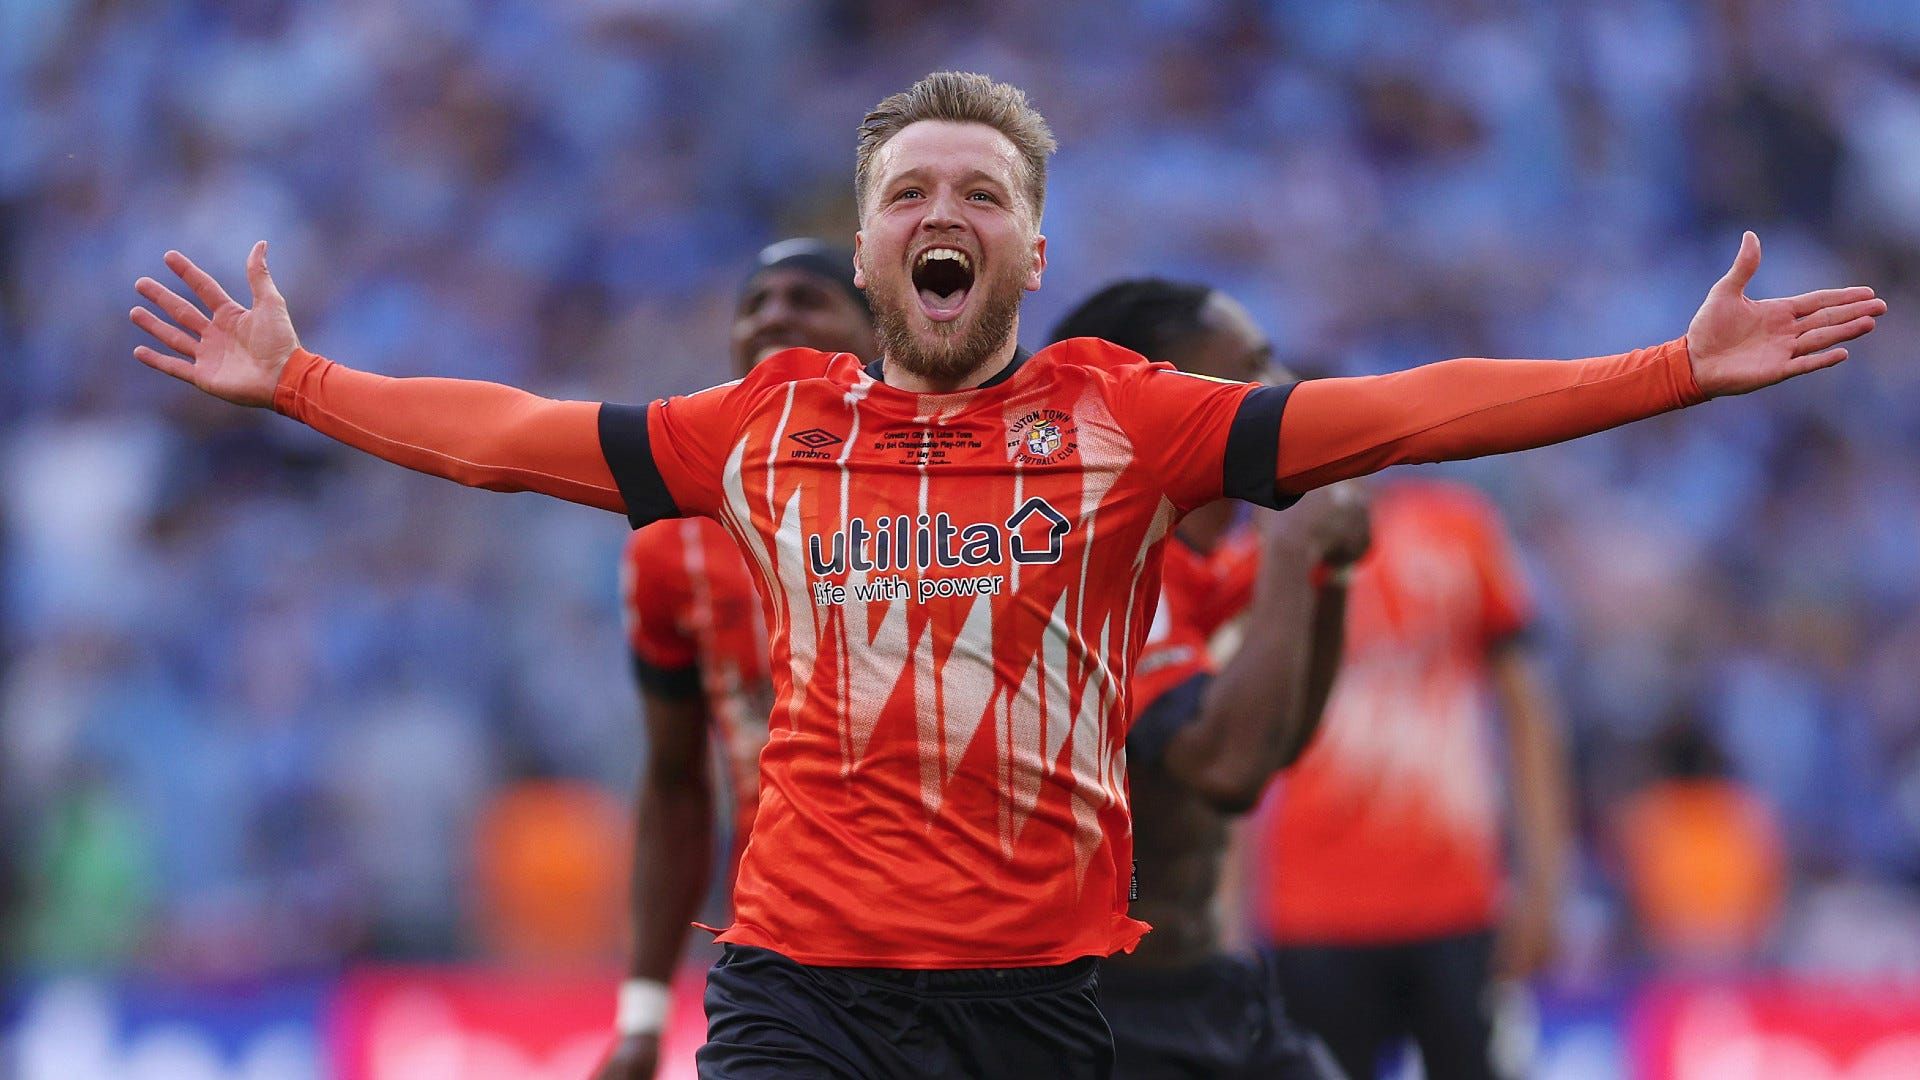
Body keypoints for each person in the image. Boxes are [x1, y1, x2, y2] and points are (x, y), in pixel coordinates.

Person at [129, 69, 1882, 1079]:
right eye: (907, 190)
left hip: (1047, 1011)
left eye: (977, 187)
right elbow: (515, 435)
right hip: (797, 991)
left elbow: (1407, 412)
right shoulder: (764, 423)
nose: (938, 209)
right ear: (880, 239)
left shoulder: (1130, 421)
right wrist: (296, 378)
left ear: (1031, 248)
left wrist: (1667, 366)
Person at [1049, 279, 1363, 1079]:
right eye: (1254, 367)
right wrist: (1295, 550)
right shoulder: (1106, 568)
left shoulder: (1202, 561)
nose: (1287, 388)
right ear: (1163, 393)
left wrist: (1330, 576)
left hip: (1207, 987)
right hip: (1098, 1016)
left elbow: (1276, 745)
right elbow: (1227, 770)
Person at [601, 241, 878, 1079]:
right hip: (779, 949)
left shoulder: (951, 499)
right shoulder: (672, 546)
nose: (774, 315)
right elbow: (675, 783)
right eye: (755, 301)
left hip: (959, 940)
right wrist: (644, 1010)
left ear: (877, 338)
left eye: (808, 297)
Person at [1246, 467, 1571, 1080]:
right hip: (1313, 908)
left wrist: (1547, 880)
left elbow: (1529, 713)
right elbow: (1239, 743)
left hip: (1457, 902)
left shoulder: (1461, 528)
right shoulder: (1273, 545)